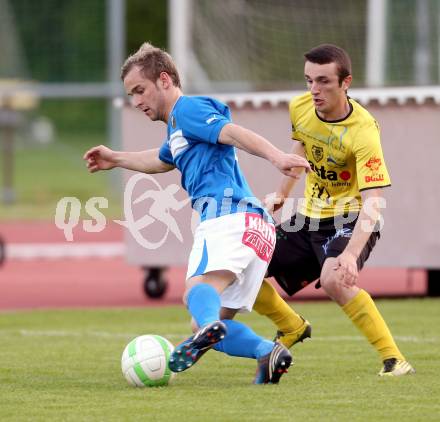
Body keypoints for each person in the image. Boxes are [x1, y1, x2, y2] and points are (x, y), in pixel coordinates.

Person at [83, 42, 311, 384]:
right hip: (256, 228)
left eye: (139, 90)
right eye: (131, 94)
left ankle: (209, 328)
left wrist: (277, 157)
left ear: (164, 80)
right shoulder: (178, 128)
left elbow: (233, 133)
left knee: (195, 294)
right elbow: (159, 160)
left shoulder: (187, 109)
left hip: (225, 216)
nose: (136, 101)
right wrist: (115, 158)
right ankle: (267, 353)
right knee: (205, 320)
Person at [253, 44, 415, 377]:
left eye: (324, 81)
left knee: (334, 278)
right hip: (309, 217)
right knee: (246, 268)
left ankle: (395, 360)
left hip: (352, 217)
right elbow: (302, 147)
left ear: (346, 83)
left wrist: (351, 255)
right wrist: (281, 195)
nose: (314, 90)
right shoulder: (300, 107)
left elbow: (374, 199)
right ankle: (292, 326)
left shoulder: (363, 130)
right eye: (309, 80)